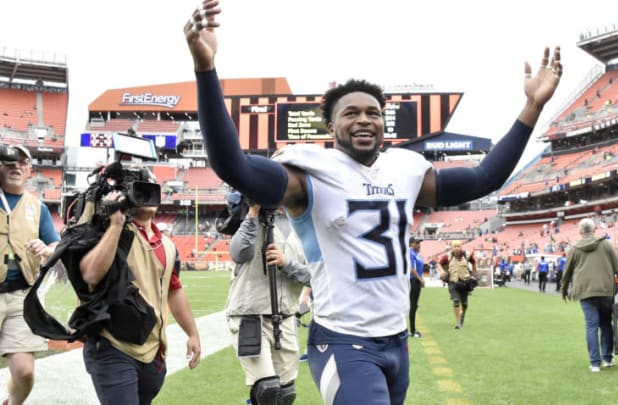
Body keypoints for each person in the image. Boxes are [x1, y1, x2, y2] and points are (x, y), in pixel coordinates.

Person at [184, 1, 562, 402]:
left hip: (395, 341)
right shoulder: (309, 173)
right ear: (331, 126)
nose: (364, 119)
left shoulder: (405, 169)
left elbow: (485, 178)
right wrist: (205, 70)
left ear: (384, 124)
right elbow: (233, 167)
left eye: (373, 113)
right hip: (345, 342)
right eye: (351, 113)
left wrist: (532, 107)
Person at [78, 174, 201, 404]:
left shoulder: (168, 245)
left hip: (153, 349)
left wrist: (192, 333)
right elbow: (91, 275)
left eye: (152, 188)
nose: (146, 195)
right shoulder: (106, 231)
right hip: (112, 343)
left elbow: (174, 290)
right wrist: (115, 224)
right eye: (139, 189)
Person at [226, 202, 310, 404]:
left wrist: (286, 264)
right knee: (267, 390)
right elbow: (239, 252)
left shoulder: (303, 228)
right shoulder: (253, 221)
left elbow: (315, 277)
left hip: (286, 319)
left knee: (285, 394)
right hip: (250, 316)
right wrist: (253, 212)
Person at [0, 145, 59, 405]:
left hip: (21, 295)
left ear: (30, 171)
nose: (16, 166)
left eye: (23, 163)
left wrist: (46, 249)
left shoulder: (38, 208)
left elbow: (56, 245)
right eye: (10, 162)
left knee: (24, 372)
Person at [561, 218, 618, 373]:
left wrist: (563, 290)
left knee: (591, 326)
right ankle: (607, 358)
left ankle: (595, 363)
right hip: (605, 290)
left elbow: (566, 272)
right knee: (606, 324)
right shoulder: (606, 244)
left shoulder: (574, 248)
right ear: (594, 230)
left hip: (585, 291)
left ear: (580, 232)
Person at [438, 241, 477, 329]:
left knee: (465, 304)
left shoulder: (467, 255)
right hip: (453, 282)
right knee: (455, 300)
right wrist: (442, 271)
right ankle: (458, 322)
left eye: (458, 246)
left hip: (465, 283)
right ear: (452, 248)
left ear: (461, 247)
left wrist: (474, 273)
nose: (456, 248)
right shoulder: (448, 256)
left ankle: (462, 315)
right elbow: (439, 263)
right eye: (454, 246)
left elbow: (474, 262)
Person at [408, 236, 425, 338]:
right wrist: (420, 279)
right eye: (416, 243)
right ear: (411, 244)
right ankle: (413, 331)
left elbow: (418, 269)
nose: (419, 245)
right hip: (413, 281)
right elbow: (412, 269)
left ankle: (412, 330)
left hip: (416, 281)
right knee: (413, 306)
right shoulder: (410, 253)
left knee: (414, 305)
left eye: (419, 243)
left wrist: (421, 279)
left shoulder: (416, 254)